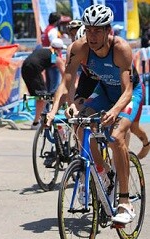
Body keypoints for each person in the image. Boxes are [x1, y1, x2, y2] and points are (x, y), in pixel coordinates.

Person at [46, 4, 143, 224]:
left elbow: (127, 89)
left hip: (129, 95)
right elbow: (67, 79)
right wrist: (62, 108)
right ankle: (103, 172)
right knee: (80, 124)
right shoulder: (80, 47)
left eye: (98, 30)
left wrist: (115, 111)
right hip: (105, 91)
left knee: (116, 137)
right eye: (89, 29)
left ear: (108, 30)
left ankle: (125, 202)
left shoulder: (121, 48)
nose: (92, 35)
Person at [70, 26, 149, 159]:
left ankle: (146, 144)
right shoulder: (86, 69)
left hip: (129, 91)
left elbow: (127, 90)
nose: (83, 60)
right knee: (81, 122)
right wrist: (72, 107)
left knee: (130, 128)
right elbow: (79, 97)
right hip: (107, 89)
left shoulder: (116, 51)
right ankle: (98, 169)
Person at [21, 38, 66, 129]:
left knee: (40, 96)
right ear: (59, 49)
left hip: (25, 67)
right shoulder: (54, 54)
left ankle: (40, 118)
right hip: (33, 68)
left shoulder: (45, 51)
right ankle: (36, 122)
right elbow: (64, 73)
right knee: (42, 97)